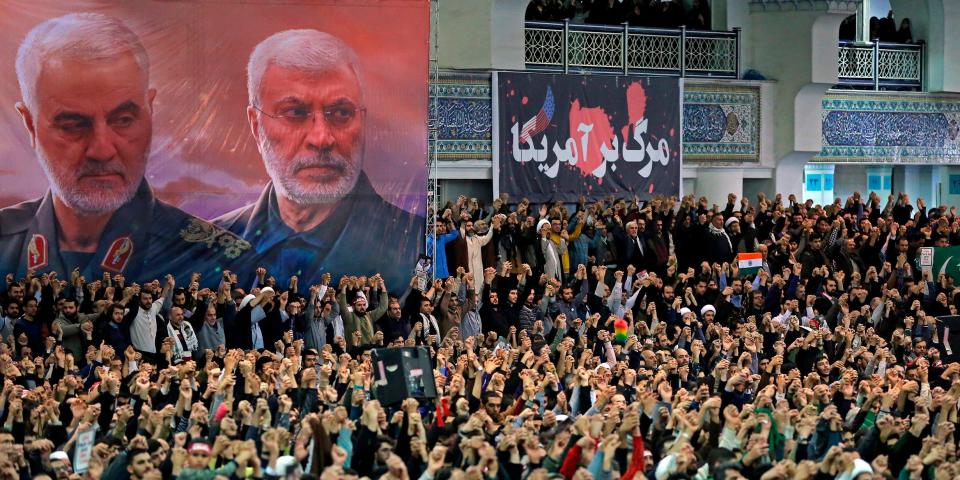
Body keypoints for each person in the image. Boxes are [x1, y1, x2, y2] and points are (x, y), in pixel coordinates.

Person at [0, 13, 250, 285]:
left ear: (150, 111)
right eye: (73, 125)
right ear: (30, 125)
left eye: (123, 120)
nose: (102, 150)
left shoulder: (225, 263)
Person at [215, 29, 423, 291]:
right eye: (295, 113)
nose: (321, 138)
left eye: (341, 113)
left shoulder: (415, 244)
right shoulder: (205, 248)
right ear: (256, 126)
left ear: (363, 121)